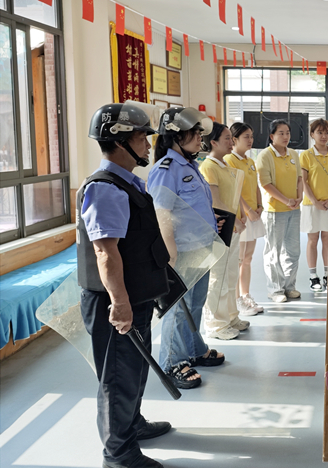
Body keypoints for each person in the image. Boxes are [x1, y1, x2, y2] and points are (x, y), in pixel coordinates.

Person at [77, 102, 171, 468]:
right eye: (141, 137)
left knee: (134, 367)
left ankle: (132, 423)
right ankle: (119, 454)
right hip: (116, 302)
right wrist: (120, 302)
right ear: (119, 141)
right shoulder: (106, 189)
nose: (148, 144)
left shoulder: (128, 183)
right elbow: (105, 252)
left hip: (135, 296)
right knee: (118, 376)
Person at [147, 106, 226, 385]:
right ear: (175, 136)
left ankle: (193, 350)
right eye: (193, 132)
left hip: (201, 247)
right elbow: (161, 213)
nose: (199, 137)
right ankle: (172, 362)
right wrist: (170, 254)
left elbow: (189, 205)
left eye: (199, 132)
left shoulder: (190, 164)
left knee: (195, 303)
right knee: (178, 308)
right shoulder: (166, 169)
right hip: (180, 251)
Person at [199, 122, 252, 338]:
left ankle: (231, 316)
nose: (231, 142)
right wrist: (235, 221)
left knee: (230, 274)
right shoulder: (209, 166)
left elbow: (234, 196)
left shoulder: (225, 166)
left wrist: (240, 218)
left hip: (233, 227)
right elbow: (216, 201)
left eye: (232, 138)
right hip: (220, 228)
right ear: (213, 142)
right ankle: (215, 324)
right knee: (218, 276)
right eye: (227, 138)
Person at [258, 119, 304, 303]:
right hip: (275, 210)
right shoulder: (265, 156)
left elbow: (300, 178)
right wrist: (286, 200)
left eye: (287, 133)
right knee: (273, 251)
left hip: (294, 210)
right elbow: (266, 183)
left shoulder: (293, 154)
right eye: (281, 133)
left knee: (292, 250)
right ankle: (275, 289)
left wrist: (299, 197)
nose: (285, 137)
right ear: (272, 136)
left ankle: (289, 286)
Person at [224, 123, 266, 315]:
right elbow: (235, 190)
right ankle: (236, 300)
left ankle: (246, 295)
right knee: (238, 260)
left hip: (253, 215)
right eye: (246, 137)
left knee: (247, 259)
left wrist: (259, 206)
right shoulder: (229, 160)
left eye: (251, 136)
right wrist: (248, 210)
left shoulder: (249, 161)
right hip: (241, 216)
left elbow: (255, 186)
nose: (250, 140)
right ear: (234, 140)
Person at [300, 118, 328, 292]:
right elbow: (303, 181)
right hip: (312, 205)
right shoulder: (305, 155)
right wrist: (314, 201)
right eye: (319, 132)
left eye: (326, 132)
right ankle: (313, 277)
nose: (324, 136)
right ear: (312, 135)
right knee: (312, 240)